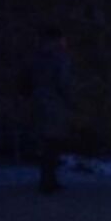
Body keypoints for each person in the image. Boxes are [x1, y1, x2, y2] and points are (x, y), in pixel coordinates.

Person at [25, 25, 74, 194]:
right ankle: (49, 180)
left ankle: (47, 179)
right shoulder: (60, 58)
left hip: (39, 103)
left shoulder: (36, 58)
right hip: (54, 104)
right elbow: (63, 82)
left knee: (47, 143)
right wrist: (69, 99)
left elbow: (27, 80)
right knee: (53, 142)